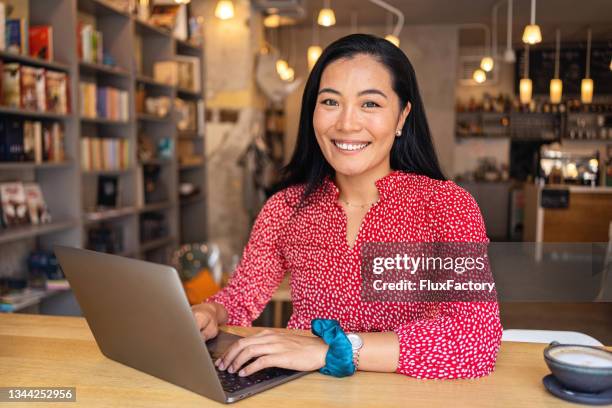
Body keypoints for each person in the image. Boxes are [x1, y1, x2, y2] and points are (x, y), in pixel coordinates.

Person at [191, 33, 502, 380]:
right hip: (304, 393)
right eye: (330, 102)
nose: (347, 124)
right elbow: (241, 297)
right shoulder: (286, 207)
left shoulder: (446, 206)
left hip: (407, 396)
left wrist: (334, 349)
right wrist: (211, 311)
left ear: (402, 116)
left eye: (370, 104)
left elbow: (476, 339)